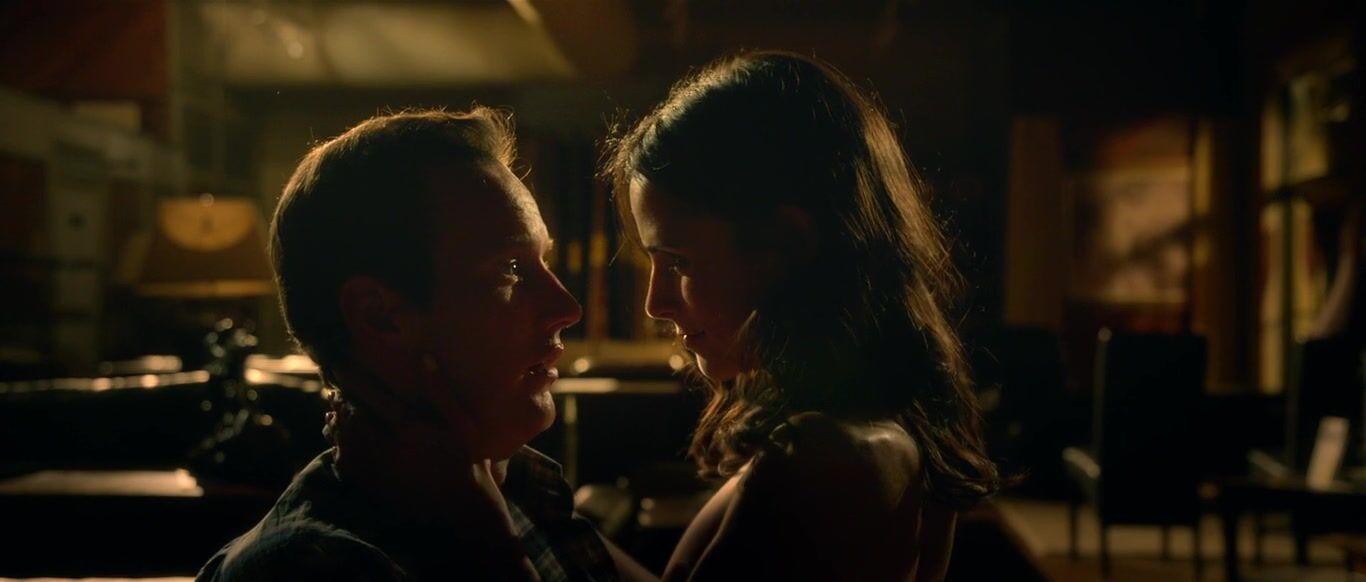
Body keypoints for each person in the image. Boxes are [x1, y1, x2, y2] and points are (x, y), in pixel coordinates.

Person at [198, 108, 650, 581]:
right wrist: (490, 551)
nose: (567, 308)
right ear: (380, 317)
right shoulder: (312, 568)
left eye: (544, 262)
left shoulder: (511, 485)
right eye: (511, 269)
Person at [606, 51, 1003, 581]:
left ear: (786, 244)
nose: (655, 304)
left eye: (679, 262)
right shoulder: (872, 424)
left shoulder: (824, 459)